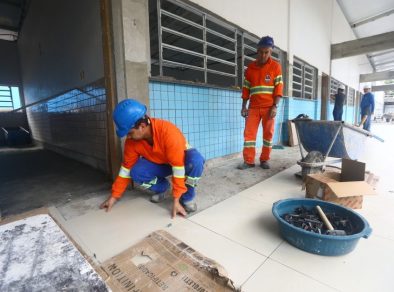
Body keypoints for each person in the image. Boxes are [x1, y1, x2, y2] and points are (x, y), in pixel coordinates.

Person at [100, 99, 205, 218]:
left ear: (142, 126)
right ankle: (163, 188)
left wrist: (176, 200)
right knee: (135, 171)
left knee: (196, 162)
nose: (128, 137)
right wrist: (114, 196)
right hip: (162, 163)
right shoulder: (132, 142)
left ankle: (186, 198)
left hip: (182, 160)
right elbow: (126, 170)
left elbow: (178, 168)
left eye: (130, 133)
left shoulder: (168, 132)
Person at [238, 36, 283, 170]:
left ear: (270, 52)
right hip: (253, 108)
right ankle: (249, 161)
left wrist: (275, 106)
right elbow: (246, 88)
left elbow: (279, 87)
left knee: (268, 135)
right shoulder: (250, 68)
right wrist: (243, 106)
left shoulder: (276, 67)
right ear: (257, 51)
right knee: (249, 135)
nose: (263, 55)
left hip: (269, 108)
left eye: (266, 52)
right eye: (261, 52)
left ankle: (264, 159)